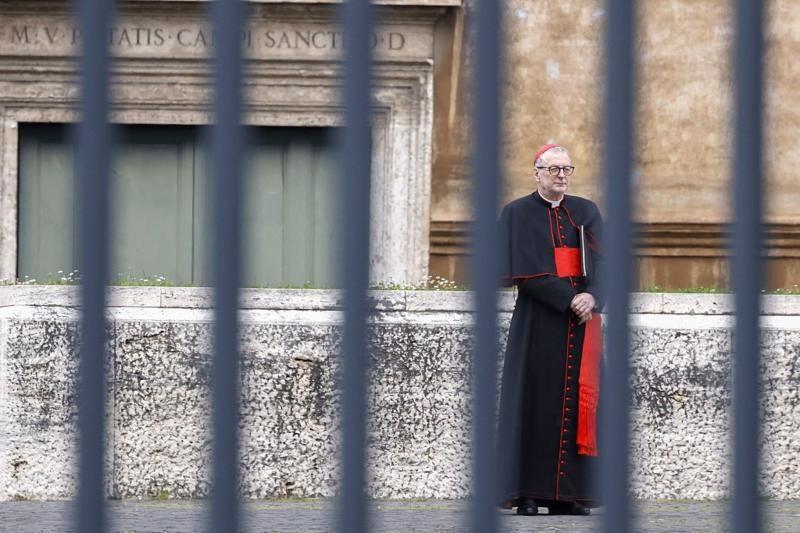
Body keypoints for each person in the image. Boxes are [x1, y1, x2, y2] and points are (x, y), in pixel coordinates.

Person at [496, 143, 604, 516]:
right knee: (535, 403)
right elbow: (523, 268)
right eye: (553, 169)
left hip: (583, 322)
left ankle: (568, 496)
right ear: (537, 171)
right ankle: (528, 492)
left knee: (578, 404)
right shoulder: (516, 213)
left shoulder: (586, 211)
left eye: (567, 169)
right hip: (539, 322)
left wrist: (593, 296)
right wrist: (568, 298)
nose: (561, 175)